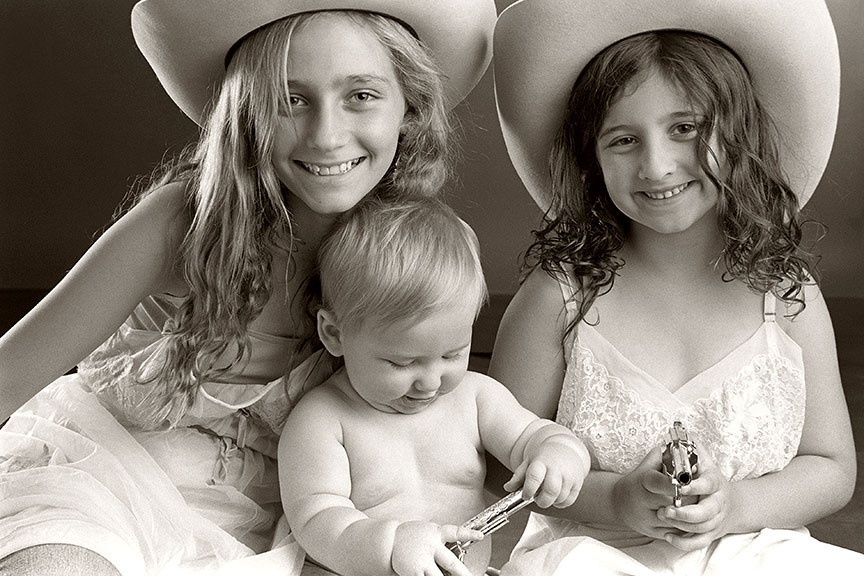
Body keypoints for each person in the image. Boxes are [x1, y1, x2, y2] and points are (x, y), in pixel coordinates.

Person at [0, 1, 497, 574]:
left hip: (288, 524)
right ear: (247, 112)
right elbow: (8, 376)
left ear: (409, 106)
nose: (327, 136)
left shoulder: (409, 253)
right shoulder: (182, 226)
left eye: (361, 95)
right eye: (290, 99)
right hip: (106, 487)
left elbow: (437, 420)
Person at [487, 0, 864, 573]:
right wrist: (616, 499)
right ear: (591, 158)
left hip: (759, 553)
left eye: (685, 129)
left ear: (738, 133)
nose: (657, 166)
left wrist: (735, 505)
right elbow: (499, 464)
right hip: (593, 557)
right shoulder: (559, 298)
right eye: (623, 140)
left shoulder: (786, 295)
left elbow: (831, 467)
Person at [278, 197, 590, 576]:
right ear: (334, 334)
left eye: (452, 354)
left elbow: (533, 435)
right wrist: (392, 544)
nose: (431, 382)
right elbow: (317, 520)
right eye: (402, 362)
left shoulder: (474, 398)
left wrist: (560, 453)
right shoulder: (323, 420)